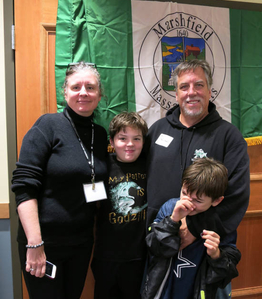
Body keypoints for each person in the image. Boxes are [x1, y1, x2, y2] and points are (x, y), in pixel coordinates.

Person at [11, 61, 108, 299]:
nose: (83, 92)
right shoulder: (48, 126)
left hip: (81, 243)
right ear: (65, 92)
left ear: (99, 94)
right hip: (44, 243)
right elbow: (24, 188)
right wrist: (35, 245)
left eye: (90, 87)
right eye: (76, 87)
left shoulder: (100, 133)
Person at [145, 59, 250, 245]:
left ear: (209, 91)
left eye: (199, 85)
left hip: (204, 244)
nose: (191, 92)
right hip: (158, 239)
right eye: (184, 87)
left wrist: (194, 229)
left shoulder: (230, 137)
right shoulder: (157, 131)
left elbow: (236, 196)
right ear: (176, 94)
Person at [142, 158, 241, 299]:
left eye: (198, 200)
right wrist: (172, 221)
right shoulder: (170, 207)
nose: (188, 202)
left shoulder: (221, 222)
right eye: (184, 193)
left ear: (216, 200)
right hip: (164, 290)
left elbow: (227, 272)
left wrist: (216, 255)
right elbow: (154, 248)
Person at [92, 111, 148, 299]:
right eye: (123, 138)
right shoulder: (101, 167)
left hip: (139, 257)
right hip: (106, 256)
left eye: (136, 138)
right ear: (111, 141)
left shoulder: (150, 165)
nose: (130, 144)